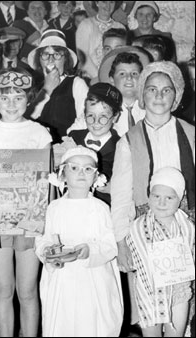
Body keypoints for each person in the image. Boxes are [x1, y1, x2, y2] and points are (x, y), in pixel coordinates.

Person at [111, 61, 195, 327]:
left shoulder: (192, 135)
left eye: (166, 90)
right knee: (150, 309)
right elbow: (121, 194)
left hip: (184, 228)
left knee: (180, 304)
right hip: (144, 232)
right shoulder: (129, 140)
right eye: (151, 89)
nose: (159, 96)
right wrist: (122, 241)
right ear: (142, 96)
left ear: (177, 95)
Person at [0, 68, 52, 336]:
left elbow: (46, 185)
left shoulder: (40, 134)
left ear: (29, 99)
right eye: (4, 97)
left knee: (28, 289)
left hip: (30, 219)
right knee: (2, 287)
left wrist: (43, 222)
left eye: (18, 97)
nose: (11, 104)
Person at [35, 145, 123, 336]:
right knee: (62, 323)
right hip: (62, 278)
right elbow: (43, 238)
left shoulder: (100, 209)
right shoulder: (54, 208)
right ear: (63, 174)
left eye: (88, 169)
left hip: (92, 279)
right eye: (74, 168)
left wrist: (90, 250)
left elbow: (109, 245)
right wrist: (47, 251)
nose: (81, 173)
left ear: (96, 175)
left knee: (91, 323)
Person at [126, 167, 195, 337]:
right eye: (156, 196)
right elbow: (133, 263)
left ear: (179, 199)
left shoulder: (187, 227)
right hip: (149, 291)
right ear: (149, 196)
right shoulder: (137, 227)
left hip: (178, 290)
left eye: (169, 198)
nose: (161, 203)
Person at [26, 29, 88, 143]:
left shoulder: (76, 83)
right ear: (39, 59)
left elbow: (85, 117)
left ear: (65, 59)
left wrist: (67, 138)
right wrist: (47, 89)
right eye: (45, 54)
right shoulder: (33, 87)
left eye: (57, 54)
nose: (51, 59)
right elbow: (27, 118)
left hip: (68, 145)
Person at [68, 82, 122, 205]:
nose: (96, 122)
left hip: (102, 209)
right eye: (91, 115)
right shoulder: (73, 138)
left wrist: (113, 188)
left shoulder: (121, 146)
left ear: (115, 117)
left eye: (103, 117)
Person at [97, 47, 151, 136]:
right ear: (112, 80)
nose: (129, 78)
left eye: (134, 73)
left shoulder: (150, 108)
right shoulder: (101, 107)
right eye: (122, 74)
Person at [76, 1, 125, 81]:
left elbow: (122, 56)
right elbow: (83, 56)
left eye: (112, 2)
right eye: (104, 2)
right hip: (90, 77)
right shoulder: (85, 25)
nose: (108, 6)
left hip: (113, 78)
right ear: (97, 3)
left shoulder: (120, 27)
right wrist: (98, 77)